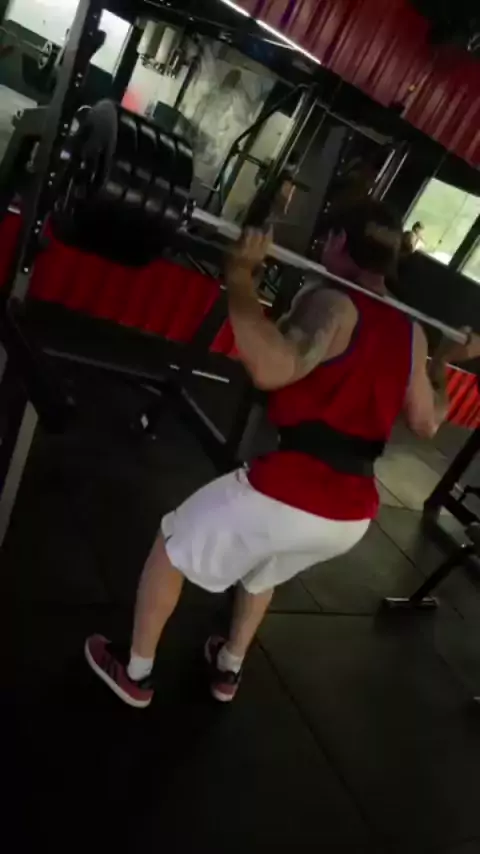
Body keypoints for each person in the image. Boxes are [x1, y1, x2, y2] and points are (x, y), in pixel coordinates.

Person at [84, 201, 473, 708]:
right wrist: (442, 362)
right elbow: (428, 421)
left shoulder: (334, 304)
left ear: (338, 240)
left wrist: (240, 277)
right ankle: (229, 666)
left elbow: (270, 369)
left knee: (171, 544)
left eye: (327, 239)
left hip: (293, 489)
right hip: (351, 516)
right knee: (263, 569)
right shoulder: (412, 331)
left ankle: (134, 673)